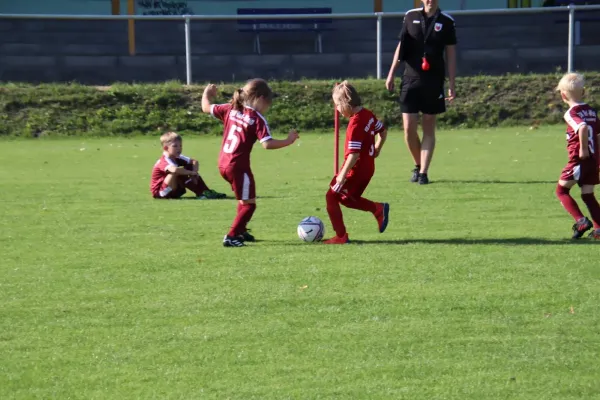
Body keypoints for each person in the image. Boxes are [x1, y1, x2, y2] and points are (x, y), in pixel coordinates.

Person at [201, 78, 299, 247]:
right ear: (261, 98)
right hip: (239, 167)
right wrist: (288, 140)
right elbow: (267, 144)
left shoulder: (231, 108)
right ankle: (231, 236)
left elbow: (206, 107)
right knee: (249, 205)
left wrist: (206, 94)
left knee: (243, 199)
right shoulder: (256, 118)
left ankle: (241, 231)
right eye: (267, 104)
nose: (267, 108)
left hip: (223, 164)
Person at [385, 0, 457, 185]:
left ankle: (423, 173)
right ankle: (418, 164)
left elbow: (450, 55)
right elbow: (401, 47)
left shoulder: (447, 21)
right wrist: (391, 73)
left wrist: (452, 83)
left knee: (428, 126)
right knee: (408, 129)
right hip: (410, 79)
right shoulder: (411, 16)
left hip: (433, 81)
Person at [323, 81, 390, 244]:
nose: (337, 110)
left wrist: (342, 176)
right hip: (368, 168)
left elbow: (353, 155)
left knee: (331, 196)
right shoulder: (368, 114)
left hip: (356, 169)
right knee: (347, 198)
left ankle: (341, 236)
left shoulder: (355, 125)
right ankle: (378, 209)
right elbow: (383, 131)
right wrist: (377, 149)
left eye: (337, 105)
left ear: (346, 102)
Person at [554, 72, 600, 240]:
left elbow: (581, 128)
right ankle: (599, 230)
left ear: (562, 94)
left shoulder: (571, 112)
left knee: (561, 191)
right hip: (594, 160)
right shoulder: (591, 111)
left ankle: (581, 221)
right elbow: (598, 135)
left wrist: (583, 151)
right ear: (584, 92)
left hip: (580, 160)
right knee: (588, 195)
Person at [150, 131, 226, 200]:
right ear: (166, 148)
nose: (179, 148)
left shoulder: (177, 156)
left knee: (189, 166)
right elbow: (174, 170)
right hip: (161, 193)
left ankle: (205, 192)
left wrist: (194, 173)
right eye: (175, 146)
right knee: (177, 172)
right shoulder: (164, 160)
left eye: (180, 145)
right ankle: (201, 193)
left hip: (175, 191)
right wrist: (191, 173)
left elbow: (194, 162)